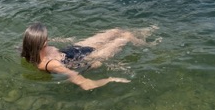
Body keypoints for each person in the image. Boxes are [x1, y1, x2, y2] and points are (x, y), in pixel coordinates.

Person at [20, 22, 157, 90]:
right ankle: (147, 44)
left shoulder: (28, 50)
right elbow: (85, 84)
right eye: (47, 38)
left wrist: (66, 40)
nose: (49, 40)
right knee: (124, 37)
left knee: (116, 31)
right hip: (84, 60)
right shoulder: (52, 64)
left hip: (74, 49)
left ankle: (141, 37)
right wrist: (110, 79)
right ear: (41, 43)